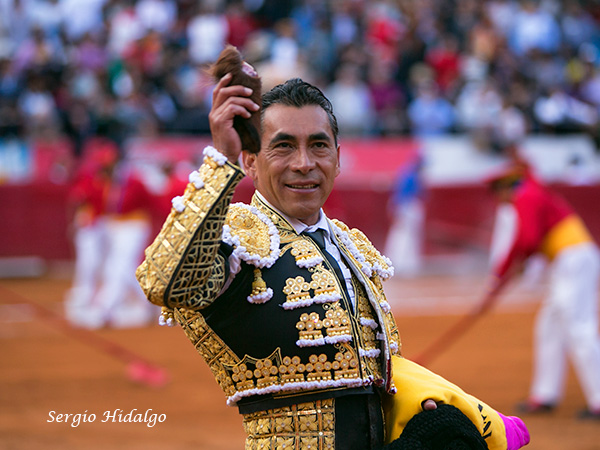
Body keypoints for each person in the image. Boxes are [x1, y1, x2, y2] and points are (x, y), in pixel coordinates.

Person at [136, 73, 530, 448]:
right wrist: (220, 160)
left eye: (319, 145)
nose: (304, 162)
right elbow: (164, 280)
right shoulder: (238, 239)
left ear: (338, 159)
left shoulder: (349, 245)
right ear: (251, 161)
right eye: (284, 145)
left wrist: (421, 402)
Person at [484, 163, 600, 420]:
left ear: (505, 188)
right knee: (550, 326)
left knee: (578, 327)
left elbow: (526, 240)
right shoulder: (531, 193)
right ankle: (545, 395)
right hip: (568, 261)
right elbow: (525, 242)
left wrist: (500, 278)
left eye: (496, 192)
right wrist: (501, 277)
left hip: (572, 260)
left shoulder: (524, 196)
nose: (497, 199)